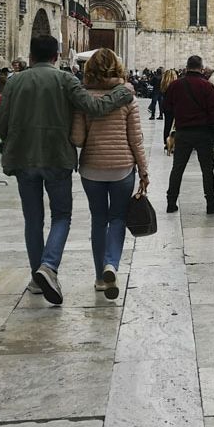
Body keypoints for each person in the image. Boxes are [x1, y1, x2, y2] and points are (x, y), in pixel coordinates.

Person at [0, 35, 134, 305]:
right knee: (61, 216)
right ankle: (48, 266)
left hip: (24, 159)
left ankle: (38, 278)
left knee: (33, 219)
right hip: (57, 158)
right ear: (57, 57)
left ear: (32, 56)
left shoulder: (14, 82)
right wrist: (122, 92)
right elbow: (95, 107)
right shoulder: (66, 80)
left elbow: (2, 126)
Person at [70, 49, 149, 299]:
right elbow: (135, 140)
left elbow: (78, 138)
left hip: (92, 168)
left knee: (98, 219)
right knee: (117, 218)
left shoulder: (83, 99)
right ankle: (111, 265)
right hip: (122, 169)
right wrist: (144, 170)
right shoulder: (128, 97)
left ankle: (98, 277)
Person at [164, 54, 214, 214]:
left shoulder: (175, 85)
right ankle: (210, 203)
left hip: (183, 132)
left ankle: (171, 201)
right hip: (203, 133)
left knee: (177, 168)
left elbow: (166, 107)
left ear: (187, 67)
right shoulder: (206, 86)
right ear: (201, 68)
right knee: (207, 169)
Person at [160, 68, 178, 152]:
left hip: (166, 107)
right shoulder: (175, 85)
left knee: (167, 125)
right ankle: (172, 143)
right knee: (173, 126)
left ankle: (166, 142)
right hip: (173, 107)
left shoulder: (164, 84)